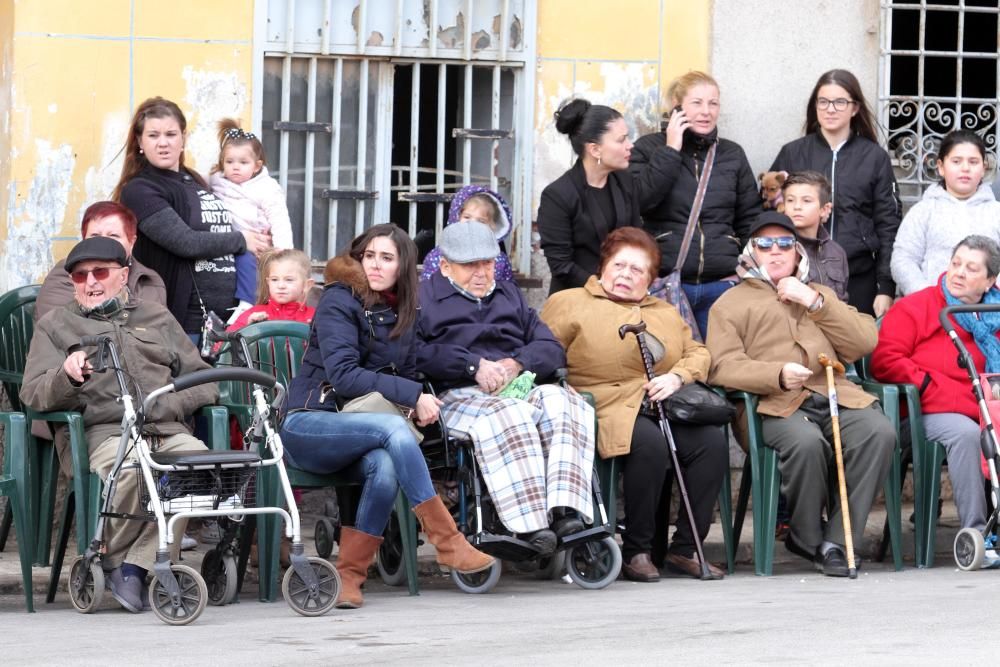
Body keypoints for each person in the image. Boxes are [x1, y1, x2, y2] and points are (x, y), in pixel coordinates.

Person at [279, 224, 494, 609]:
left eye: (387, 258)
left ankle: (348, 577)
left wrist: (416, 404)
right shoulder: (338, 300)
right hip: (310, 423)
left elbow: (407, 374)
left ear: (403, 266)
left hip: (364, 430)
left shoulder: (403, 310)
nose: (375, 265)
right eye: (369, 256)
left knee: (386, 465)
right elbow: (344, 376)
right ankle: (448, 540)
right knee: (393, 430)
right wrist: (414, 397)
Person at [21, 237, 216, 612]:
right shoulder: (56, 325)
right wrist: (67, 376)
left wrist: (169, 404)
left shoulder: (157, 317)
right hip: (105, 431)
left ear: (124, 275)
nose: (90, 282)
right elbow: (33, 394)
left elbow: (205, 380)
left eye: (100, 272)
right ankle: (132, 565)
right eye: (79, 276)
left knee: (202, 469)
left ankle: (131, 566)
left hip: (166, 429)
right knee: (132, 473)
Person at [707, 212, 895, 576]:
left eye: (785, 245)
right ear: (751, 253)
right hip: (771, 407)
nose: (775, 252)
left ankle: (837, 543)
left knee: (879, 432)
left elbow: (864, 341)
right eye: (765, 244)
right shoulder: (730, 303)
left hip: (836, 395)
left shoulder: (818, 292)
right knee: (807, 443)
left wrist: (815, 303)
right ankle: (806, 537)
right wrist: (774, 375)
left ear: (798, 254)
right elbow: (721, 367)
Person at [540, 227, 727, 581]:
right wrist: (560, 385)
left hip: (661, 404)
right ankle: (637, 550)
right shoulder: (569, 302)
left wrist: (677, 377)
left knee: (711, 443)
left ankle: (685, 549)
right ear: (603, 266)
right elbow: (542, 353)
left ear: (650, 280)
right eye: (619, 265)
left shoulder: (664, 311)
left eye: (637, 270)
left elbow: (698, 352)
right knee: (650, 445)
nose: (626, 275)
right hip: (602, 405)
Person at [415, 221, 597, 553]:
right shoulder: (424, 299)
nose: (481, 272)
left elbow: (550, 346)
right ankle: (528, 526)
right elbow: (417, 354)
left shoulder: (508, 294)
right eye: (469, 265)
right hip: (457, 395)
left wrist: (516, 363)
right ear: (444, 265)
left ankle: (564, 512)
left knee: (564, 403)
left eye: (486, 262)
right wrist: (472, 366)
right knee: (511, 412)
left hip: (517, 386)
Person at [872, 236, 1000, 554]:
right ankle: (977, 534)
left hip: (986, 405)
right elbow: (886, 361)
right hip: (923, 410)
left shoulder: (995, 314)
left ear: (990, 280)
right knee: (969, 433)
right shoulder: (918, 306)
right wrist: (933, 386)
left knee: (987, 426)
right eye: (956, 263)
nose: (959, 273)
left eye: (971, 268)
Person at [112, 96, 271, 342]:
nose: (163, 143)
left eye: (171, 134)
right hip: (183, 323)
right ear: (140, 142)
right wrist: (242, 240)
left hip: (226, 321)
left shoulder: (196, 180)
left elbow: (224, 229)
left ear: (183, 139)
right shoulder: (140, 189)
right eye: (153, 135)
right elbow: (185, 242)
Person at [630, 71, 761, 335]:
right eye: (697, 103)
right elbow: (640, 201)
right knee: (674, 365)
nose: (706, 111)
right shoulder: (648, 148)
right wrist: (670, 149)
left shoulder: (732, 154)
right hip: (666, 282)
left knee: (718, 367)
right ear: (676, 106)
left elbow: (750, 218)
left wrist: (742, 271)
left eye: (713, 103)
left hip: (722, 285)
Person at [770, 69, 901, 317]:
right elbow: (771, 212)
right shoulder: (793, 153)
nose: (831, 109)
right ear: (815, 106)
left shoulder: (874, 157)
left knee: (854, 349)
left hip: (859, 275)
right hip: (799, 273)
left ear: (854, 108)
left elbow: (888, 224)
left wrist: (886, 286)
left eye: (840, 102)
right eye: (823, 101)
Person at [537, 98, 674, 294]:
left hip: (624, 296)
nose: (630, 146)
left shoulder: (624, 182)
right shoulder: (558, 196)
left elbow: (635, 240)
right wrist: (604, 287)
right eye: (621, 140)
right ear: (595, 149)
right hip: (577, 300)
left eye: (628, 137)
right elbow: (562, 266)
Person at [891, 131, 1000, 296]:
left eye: (973, 162)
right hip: (932, 310)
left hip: (989, 312)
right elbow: (903, 259)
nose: (965, 168)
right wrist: (926, 295)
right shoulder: (924, 211)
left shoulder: (995, 212)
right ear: (941, 167)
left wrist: (992, 294)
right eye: (956, 161)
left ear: (983, 168)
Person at [209, 119, 294, 321]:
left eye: (243, 163)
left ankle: (246, 302)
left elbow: (279, 217)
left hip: (254, 243)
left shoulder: (266, 187)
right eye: (229, 162)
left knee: (248, 261)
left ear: (257, 166)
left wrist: (283, 250)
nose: (235, 168)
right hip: (226, 241)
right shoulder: (217, 180)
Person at [36, 201, 167, 321]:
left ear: (131, 242)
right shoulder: (64, 274)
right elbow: (59, 329)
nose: (103, 243)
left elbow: (160, 332)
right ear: (84, 239)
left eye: (113, 236)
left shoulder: (149, 280)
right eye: (95, 236)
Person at [420, 185, 515, 282]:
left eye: (481, 221)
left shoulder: (499, 259)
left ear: (492, 226)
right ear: (456, 217)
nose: (472, 224)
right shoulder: (439, 255)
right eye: (467, 217)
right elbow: (428, 290)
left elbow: (508, 292)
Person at [781, 172, 849, 302]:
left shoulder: (836, 252)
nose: (797, 207)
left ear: (824, 209)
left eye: (806, 200)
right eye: (790, 200)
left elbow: (842, 304)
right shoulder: (777, 249)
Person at [227, 249, 315, 331]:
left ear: (307, 285)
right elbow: (221, 345)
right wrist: (249, 328)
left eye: (289, 280)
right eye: (274, 280)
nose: (280, 286)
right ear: (268, 282)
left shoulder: (316, 318)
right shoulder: (253, 314)